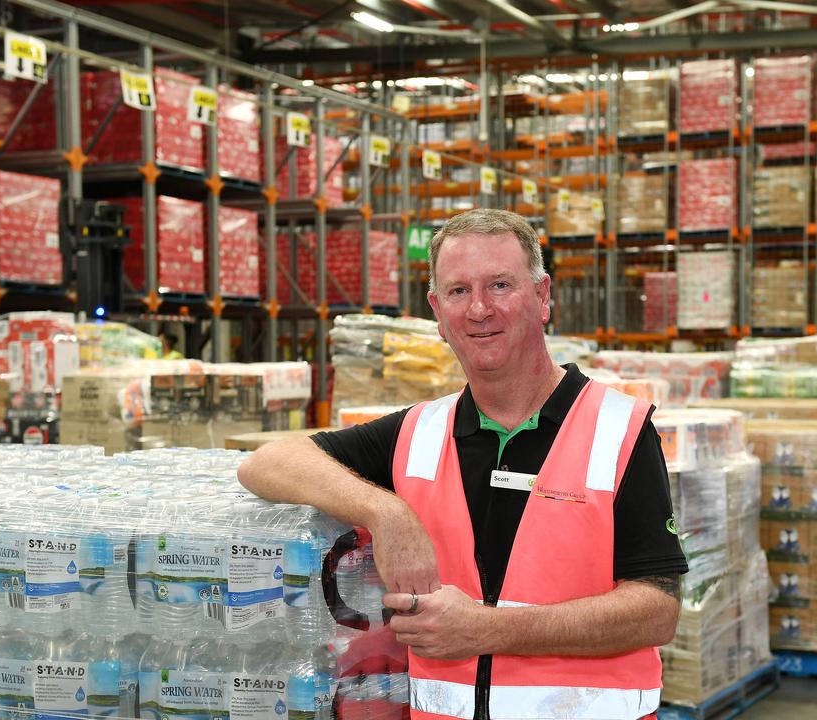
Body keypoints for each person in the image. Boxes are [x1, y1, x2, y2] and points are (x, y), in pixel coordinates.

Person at [238, 208, 684, 720]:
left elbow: (656, 611)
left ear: (543, 298)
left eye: (499, 285)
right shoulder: (418, 434)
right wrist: (387, 514)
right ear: (437, 311)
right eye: (457, 291)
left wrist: (488, 629)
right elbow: (268, 463)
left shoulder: (618, 431)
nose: (478, 309)